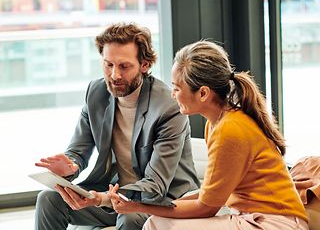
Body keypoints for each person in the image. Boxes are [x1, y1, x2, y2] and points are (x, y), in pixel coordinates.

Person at [108, 40, 309, 230]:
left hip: (276, 223)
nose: (172, 94)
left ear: (203, 93)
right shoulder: (218, 123)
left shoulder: (230, 129)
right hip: (251, 216)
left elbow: (207, 207)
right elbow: (208, 196)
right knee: (157, 221)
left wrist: (139, 207)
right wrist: (143, 205)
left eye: (177, 88)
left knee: (157, 224)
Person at [34, 22, 200, 230]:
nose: (114, 75)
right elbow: (79, 150)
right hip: (112, 196)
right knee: (49, 199)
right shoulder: (96, 92)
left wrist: (101, 198)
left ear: (145, 65)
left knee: (128, 218)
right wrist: (72, 166)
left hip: (164, 201)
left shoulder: (168, 107)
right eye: (108, 64)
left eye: (124, 66)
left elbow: (155, 186)